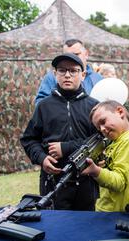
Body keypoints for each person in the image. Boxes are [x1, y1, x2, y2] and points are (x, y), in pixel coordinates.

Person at [21, 53, 100, 210]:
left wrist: (66, 147)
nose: (67, 75)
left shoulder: (94, 106)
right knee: (53, 227)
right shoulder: (44, 106)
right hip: (52, 181)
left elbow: (100, 140)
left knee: (84, 227)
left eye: (73, 70)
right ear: (55, 74)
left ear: (83, 75)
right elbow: (29, 139)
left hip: (85, 182)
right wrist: (42, 158)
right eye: (62, 70)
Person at [82, 100, 129, 212]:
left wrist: (96, 171)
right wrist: (103, 167)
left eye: (103, 121)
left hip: (121, 214)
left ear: (120, 112)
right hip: (108, 210)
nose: (102, 129)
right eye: (99, 128)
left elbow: (119, 182)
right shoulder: (116, 143)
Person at [35, 39, 103, 106]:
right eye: (68, 55)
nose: (72, 58)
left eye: (76, 54)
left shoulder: (98, 79)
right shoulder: (52, 77)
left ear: (86, 54)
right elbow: (40, 103)